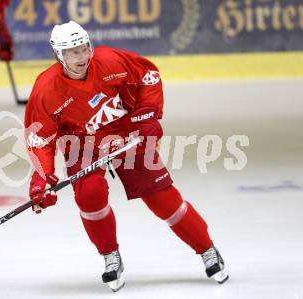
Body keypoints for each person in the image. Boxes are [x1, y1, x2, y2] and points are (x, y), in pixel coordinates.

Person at [24, 21, 229, 292]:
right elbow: (40, 139)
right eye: (72, 52)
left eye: (84, 49)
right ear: (59, 54)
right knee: (90, 194)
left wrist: (147, 113)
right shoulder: (46, 89)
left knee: (163, 199)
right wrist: (42, 178)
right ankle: (110, 256)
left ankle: (207, 249)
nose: (81, 57)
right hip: (81, 144)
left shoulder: (110, 61)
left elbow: (149, 77)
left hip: (127, 133)